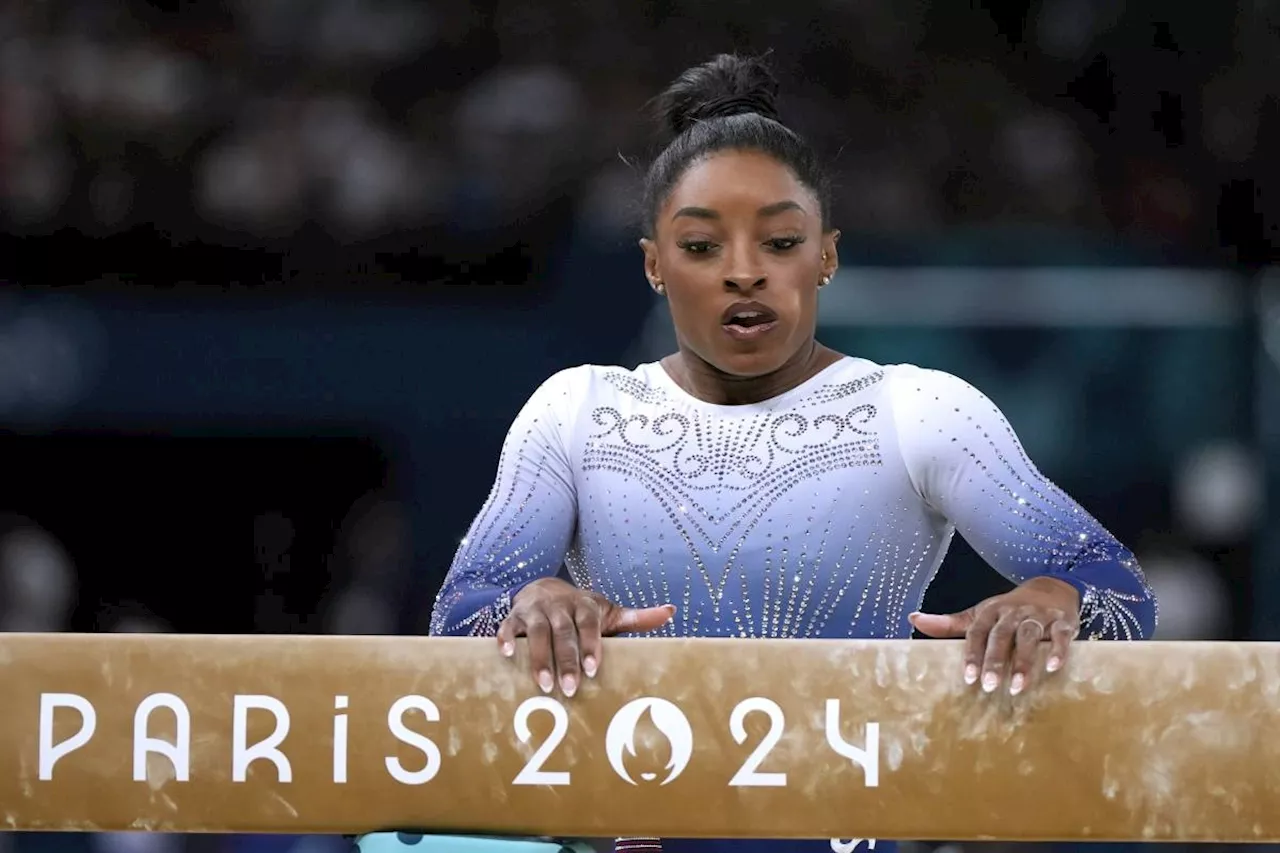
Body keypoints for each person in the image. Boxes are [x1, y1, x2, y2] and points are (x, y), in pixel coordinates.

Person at [427, 53, 1158, 853]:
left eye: (779, 241)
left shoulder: (915, 409)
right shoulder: (579, 410)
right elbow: (457, 618)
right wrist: (529, 599)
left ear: (827, 256)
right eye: (701, 247)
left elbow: (1120, 594)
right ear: (653, 265)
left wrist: (1053, 597)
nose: (744, 273)